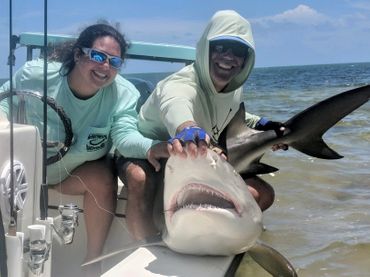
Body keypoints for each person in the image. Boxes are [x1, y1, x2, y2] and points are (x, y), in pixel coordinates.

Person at [0, 23, 165, 276]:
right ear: (78, 54)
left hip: (70, 177)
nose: (105, 67)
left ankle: (93, 261)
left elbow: (125, 136)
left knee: (102, 177)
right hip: (23, 175)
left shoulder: (123, 94)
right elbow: (3, 104)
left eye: (114, 61)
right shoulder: (36, 74)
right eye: (97, 56)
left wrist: (154, 148)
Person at [116, 10, 288, 241]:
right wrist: (187, 127)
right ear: (206, 49)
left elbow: (226, 114)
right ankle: (147, 244)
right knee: (139, 178)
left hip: (190, 154)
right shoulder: (179, 83)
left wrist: (263, 124)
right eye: (220, 47)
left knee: (263, 194)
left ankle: (217, 238)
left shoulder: (232, 88)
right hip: (148, 153)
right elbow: (175, 103)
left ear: (246, 59)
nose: (228, 57)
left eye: (237, 51)